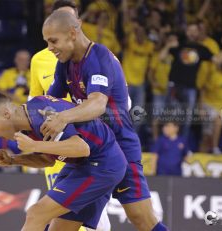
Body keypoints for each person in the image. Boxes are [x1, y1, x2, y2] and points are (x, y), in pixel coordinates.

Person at [42, 10, 168, 231]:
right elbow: (50, 101)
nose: (49, 47)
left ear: (72, 33)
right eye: (47, 42)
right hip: (91, 151)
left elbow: (98, 104)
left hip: (120, 145)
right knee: (58, 223)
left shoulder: (99, 58)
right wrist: (23, 117)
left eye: (53, 41)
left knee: (141, 218)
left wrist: (62, 117)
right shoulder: (65, 63)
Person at [0, 91, 127, 231]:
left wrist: (34, 145)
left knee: (36, 214)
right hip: (84, 164)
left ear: (6, 114)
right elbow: (47, 160)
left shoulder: (42, 115)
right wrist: (12, 160)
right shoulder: (27, 122)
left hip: (102, 164)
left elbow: (81, 148)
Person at [29, 1, 110, 230]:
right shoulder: (40, 60)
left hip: (91, 145)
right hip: (56, 148)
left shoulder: (97, 58)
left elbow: (108, 101)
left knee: (86, 217)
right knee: (66, 216)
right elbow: (36, 101)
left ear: (75, 27)